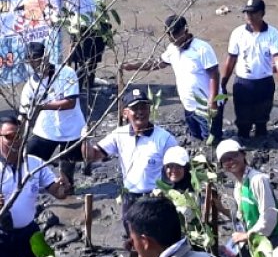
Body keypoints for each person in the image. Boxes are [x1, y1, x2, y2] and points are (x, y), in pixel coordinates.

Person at [82, 88, 178, 224]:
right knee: (131, 237)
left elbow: (180, 169)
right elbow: (92, 156)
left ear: (149, 110)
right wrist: (85, 139)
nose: (140, 112)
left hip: (154, 198)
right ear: (125, 113)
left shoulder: (165, 138)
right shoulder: (119, 135)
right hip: (129, 197)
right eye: (135, 108)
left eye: (143, 107)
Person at [121, 15, 222, 142]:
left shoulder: (202, 48)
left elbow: (214, 74)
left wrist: (212, 102)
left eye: (175, 33)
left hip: (206, 106)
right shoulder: (172, 49)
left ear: (185, 30)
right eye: (169, 34)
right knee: (196, 138)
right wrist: (133, 66)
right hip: (189, 106)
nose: (172, 37)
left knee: (211, 141)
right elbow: (158, 64)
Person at [0, 117, 70, 257]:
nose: (16, 141)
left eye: (19, 136)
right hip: (0, 236)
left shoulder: (34, 163)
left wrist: (63, 187)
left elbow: (57, 192)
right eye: (9, 136)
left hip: (26, 235)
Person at [215, 139, 278, 257]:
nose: (230, 161)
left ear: (243, 155)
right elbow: (242, 217)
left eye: (233, 156)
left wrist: (246, 235)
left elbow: (269, 216)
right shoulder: (238, 186)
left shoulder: (258, 180)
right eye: (225, 160)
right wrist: (221, 208)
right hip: (253, 240)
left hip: (273, 239)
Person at [19, 41, 85, 187]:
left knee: (67, 177)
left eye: (39, 58)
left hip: (71, 130)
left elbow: (70, 103)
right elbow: (23, 115)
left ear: (47, 56)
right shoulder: (29, 86)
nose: (37, 63)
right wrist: (15, 135)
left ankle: (68, 186)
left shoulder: (66, 73)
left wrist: (42, 106)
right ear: (28, 62)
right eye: (32, 60)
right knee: (28, 162)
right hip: (46, 130)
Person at [220, 0, 278, 139]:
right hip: (243, 83)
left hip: (264, 83)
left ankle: (262, 143)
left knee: (262, 119)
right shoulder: (238, 33)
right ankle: (243, 142)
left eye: (252, 13)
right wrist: (223, 84)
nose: (248, 16)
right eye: (246, 13)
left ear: (262, 13)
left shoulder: (272, 34)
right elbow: (231, 60)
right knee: (243, 121)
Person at [50, 0, 107, 90]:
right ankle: (75, 84)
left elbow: (102, 1)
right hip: (77, 26)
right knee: (77, 58)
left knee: (94, 56)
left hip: (95, 24)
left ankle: (90, 82)